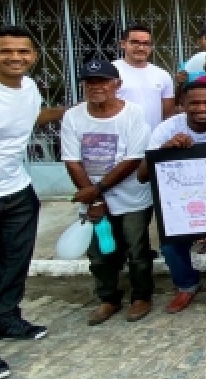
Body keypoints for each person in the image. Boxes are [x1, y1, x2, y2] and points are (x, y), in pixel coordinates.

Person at [0, 26, 65, 379]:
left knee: (14, 264)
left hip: (17, 190)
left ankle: (6, 319)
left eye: (23, 51)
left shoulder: (30, 88)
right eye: (6, 51)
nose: (15, 58)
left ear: (34, 56)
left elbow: (25, 121)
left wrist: (70, 112)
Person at [61, 59, 153, 324]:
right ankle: (108, 299)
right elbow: (71, 160)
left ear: (117, 85)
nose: (96, 87)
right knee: (99, 254)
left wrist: (98, 189)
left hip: (131, 196)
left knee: (137, 250)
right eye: (90, 82)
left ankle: (141, 296)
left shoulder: (133, 113)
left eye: (103, 81)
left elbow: (133, 158)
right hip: (92, 197)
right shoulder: (73, 116)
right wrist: (95, 197)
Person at [137, 82, 206, 312]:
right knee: (171, 243)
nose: (202, 108)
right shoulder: (166, 129)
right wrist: (165, 149)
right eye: (194, 103)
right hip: (179, 200)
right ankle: (186, 285)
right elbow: (142, 175)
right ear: (182, 105)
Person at [113, 24, 174, 133]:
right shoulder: (111, 72)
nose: (141, 48)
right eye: (135, 42)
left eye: (146, 43)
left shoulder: (162, 75)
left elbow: (168, 115)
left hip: (154, 142)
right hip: (122, 141)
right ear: (123, 44)